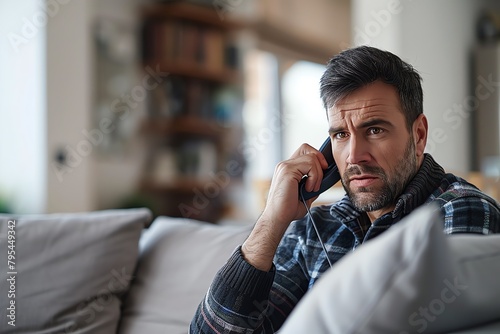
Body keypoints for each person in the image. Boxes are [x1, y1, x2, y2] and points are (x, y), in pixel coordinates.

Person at [189, 45, 500, 333]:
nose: (353, 156)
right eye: (340, 135)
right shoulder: (315, 230)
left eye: (374, 130)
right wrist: (272, 220)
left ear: (418, 135)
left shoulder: (461, 209)